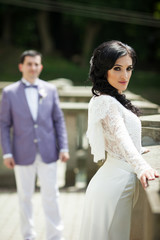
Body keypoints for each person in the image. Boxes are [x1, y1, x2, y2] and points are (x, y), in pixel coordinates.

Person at [79, 40, 159, 240]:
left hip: (115, 179)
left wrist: (139, 149)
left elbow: (122, 138)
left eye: (129, 68)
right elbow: (121, 138)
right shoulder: (105, 101)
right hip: (115, 185)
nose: (125, 76)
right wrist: (142, 167)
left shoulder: (111, 98)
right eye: (117, 68)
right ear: (103, 69)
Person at [0, 50, 69, 240]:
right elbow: (4, 124)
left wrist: (63, 147)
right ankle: (28, 236)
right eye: (29, 64)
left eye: (36, 64)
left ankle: (55, 236)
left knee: (51, 196)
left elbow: (58, 120)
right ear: (21, 67)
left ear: (41, 67)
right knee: (24, 197)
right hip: (22, 152)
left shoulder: (50, 90)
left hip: (48, 152)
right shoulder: (9, 92)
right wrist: (7, 153)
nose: (33, 67)